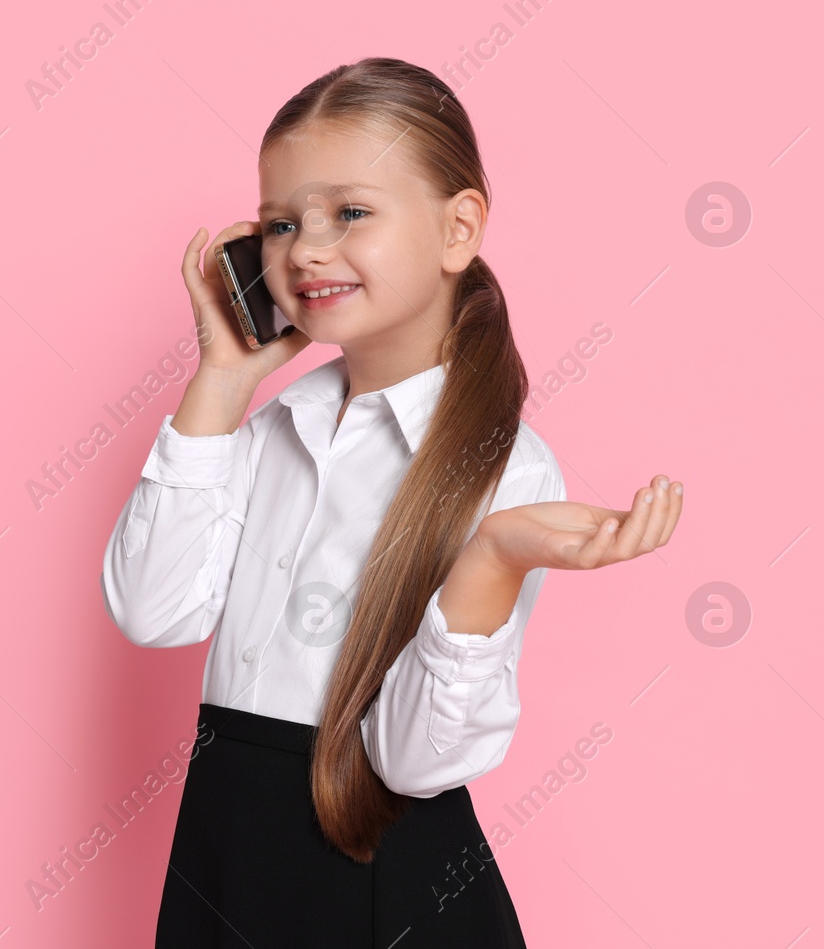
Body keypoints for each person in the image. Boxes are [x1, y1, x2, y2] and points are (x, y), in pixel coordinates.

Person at [99, 57, 684, 947]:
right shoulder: (264, 432)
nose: (305, 249)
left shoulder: (504, 469)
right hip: (224, 856)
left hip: (388, 889)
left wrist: (488, 559)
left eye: (351, 213)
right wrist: (221, 380)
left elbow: (414, 765)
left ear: (459, 229)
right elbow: (153, 611)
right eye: (281, 222)